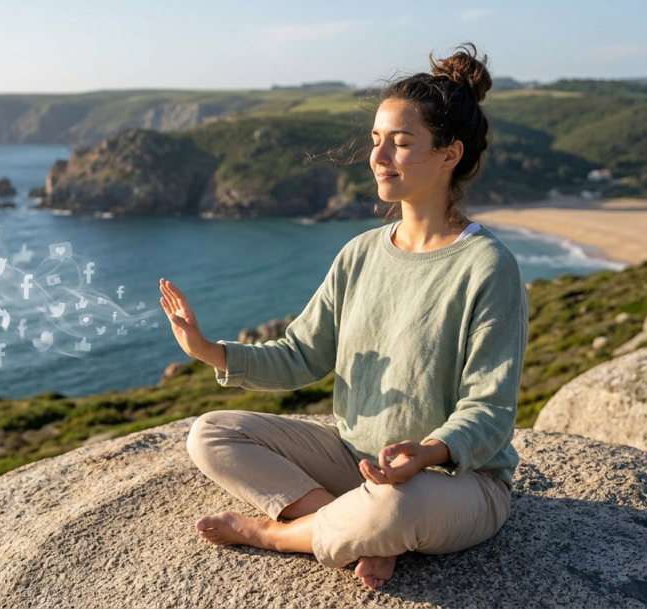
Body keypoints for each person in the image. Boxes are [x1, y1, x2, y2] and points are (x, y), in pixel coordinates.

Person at [157, 44, 528, 591]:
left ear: (450, 154)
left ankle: (280, 534)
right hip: (355, 460)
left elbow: (490, 409)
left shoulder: (488, 266)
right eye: (377, 141)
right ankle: (350, 526)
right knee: (211, 434)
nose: (379, 158)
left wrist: (425, 452)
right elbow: (301, 355)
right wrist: (209, 351)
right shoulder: (360, 254)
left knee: (398, 507)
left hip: (454, 480)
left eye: (401, 144)